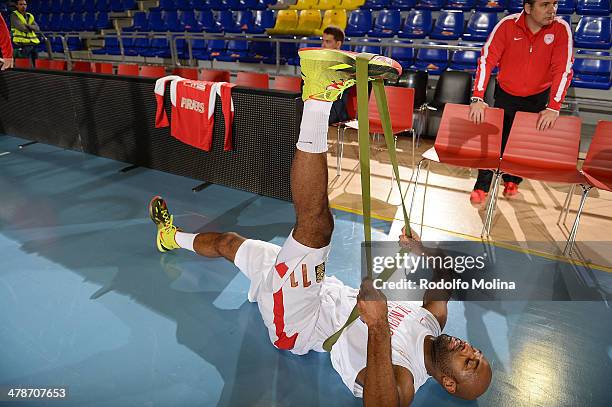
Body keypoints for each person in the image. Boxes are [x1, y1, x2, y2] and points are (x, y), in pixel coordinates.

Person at [148, 48, 492, 405]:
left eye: (469, 362)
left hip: (301, 323)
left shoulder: (407, 374)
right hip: (319, 285)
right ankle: (170, 237)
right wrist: (421, 253)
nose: (468, 348)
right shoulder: (432, 324)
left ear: (449, 383)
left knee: (318, 230)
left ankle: (317, 97)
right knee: (229, 242)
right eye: (477, 352)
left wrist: (377, 326)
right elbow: (444, 280)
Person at [468, 0, 573, 205]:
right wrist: (477, 97)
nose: (552, 10)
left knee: (521, 145)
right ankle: (482, 186)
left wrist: (554, 106)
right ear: (528, 8)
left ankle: (512, 180)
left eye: (554, 4)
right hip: (506, 94)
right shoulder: (507, 25)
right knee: (494, 143)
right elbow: (486, 59)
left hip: (537, 97)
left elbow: (563, 69)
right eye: (544, 5)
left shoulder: (561, 29)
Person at [321, 26, 352, 125]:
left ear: (338, 44)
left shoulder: (346, 64)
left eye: (328, 42)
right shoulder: (319, 62)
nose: (323, 45)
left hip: (335, 110)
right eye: (323, 41)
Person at [10, 0, 40, 67]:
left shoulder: (30, 16)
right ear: (17, 6)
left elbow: (37, 28)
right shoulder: (14, 15)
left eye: (24, 4)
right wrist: (31, 27)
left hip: (33, 43)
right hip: (22, 44)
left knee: (36, 65)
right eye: (21, 4)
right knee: (24, 66)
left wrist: (28, 25)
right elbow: (23, 28)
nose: (23, 6)